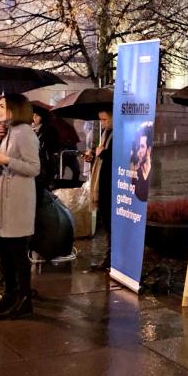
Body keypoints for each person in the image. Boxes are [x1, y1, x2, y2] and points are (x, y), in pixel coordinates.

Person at [0, 94, 40, 320]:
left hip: (18, 201)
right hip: (5, 200)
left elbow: (34, 168)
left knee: (17, 252)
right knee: (5, 250)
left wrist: (6, 161)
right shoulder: (10, 132)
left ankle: (24, 299)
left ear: (14, 109)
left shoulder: (25, 133)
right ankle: (10, 295)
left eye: (2, 106)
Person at [85, 107, 113, 270]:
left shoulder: (117, 135)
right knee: (106, 220)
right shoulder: (104, 134)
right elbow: (100, 156)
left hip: (110, 184)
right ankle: (108, 258)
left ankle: (110, 259)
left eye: (105, 119)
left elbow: (117, 158)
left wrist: (102, 153)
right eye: (100, 120)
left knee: (110, 223)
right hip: (102, 182)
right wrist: (92, 155)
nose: (102, 123)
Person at [130, 122, 153, 202]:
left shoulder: (152, 172)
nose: (139, 151)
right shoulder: (137, 169)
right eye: (138, 146)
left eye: (142, 147)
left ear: (149, 150)